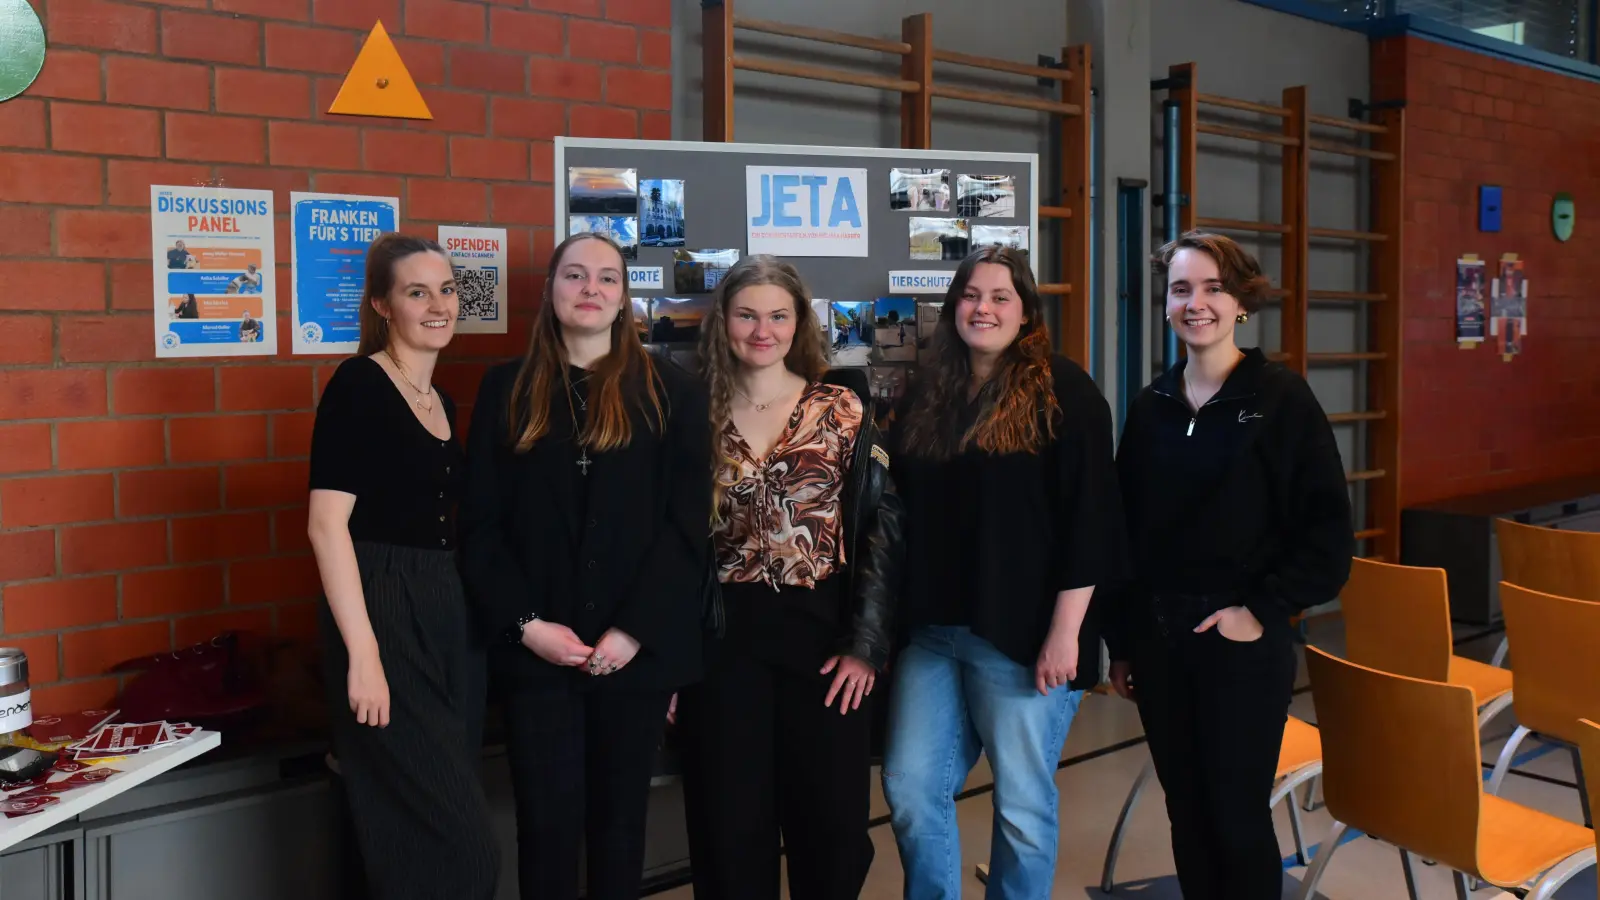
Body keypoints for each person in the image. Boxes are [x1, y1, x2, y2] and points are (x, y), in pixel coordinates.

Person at [459, 231, 711, 900]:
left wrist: (634, 632)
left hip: (633, 654)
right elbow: (479, 527)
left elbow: (688, 529)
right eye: (575, 276)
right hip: (537, 653)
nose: (590, 289)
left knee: (619, 828)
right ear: (549, 290)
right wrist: (526, 625)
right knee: (545, 829)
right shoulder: (504, 389)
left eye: (606, 278)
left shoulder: (673, 394)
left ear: (625, 297)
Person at [1106, 231, 1354, 900]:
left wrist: (1261, 612)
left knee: (1235, 817)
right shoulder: (1152, 408)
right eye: (1181, 289)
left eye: (1213, 287)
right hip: (1161, 649)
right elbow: (1126, 537)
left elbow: (1329, 536)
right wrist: (1123, 643)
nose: (1197, 303)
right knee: (1185, 813)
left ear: (1241, 301)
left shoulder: (1281, 400)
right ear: (1165, 304)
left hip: (1241, 648)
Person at [881, 245, 1126, 898]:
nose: (982, 308)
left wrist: (1066, 633)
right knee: (909, 786)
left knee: (1020, 803)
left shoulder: (1066, 393)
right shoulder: (929, 393)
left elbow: (1092, 520)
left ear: (1026, 313)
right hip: (935, 631)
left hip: (1023, 636)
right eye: (970, 295)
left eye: (999, 297)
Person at [678, 255, 903, 900]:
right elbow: (668, 540)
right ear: (722, 322)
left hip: (825, 647)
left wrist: (867, 646)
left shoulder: (843, 409)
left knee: (830, 831)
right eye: (747, 314)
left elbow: (883, 534)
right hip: (720, 648)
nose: (762, 329)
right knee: (727, 830)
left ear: (799, 322)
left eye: (778, 315)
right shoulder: (692, 411)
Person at [306, 232, 499, 900]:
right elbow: (326, 526)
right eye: (417, 292)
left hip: (445, 607)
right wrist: (364, 655)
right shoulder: (359, 385)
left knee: (408, 830)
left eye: (446, 290)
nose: (438, 304)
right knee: (463, 847)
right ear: (383, 306)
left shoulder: (441, 403)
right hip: (382, 607)